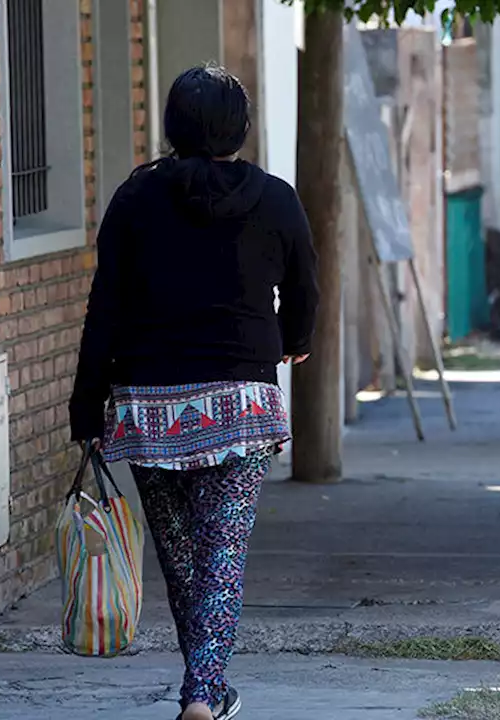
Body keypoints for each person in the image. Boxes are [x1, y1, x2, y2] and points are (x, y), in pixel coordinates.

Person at [70, 65, 319, 720]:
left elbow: (106, 307)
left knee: (182, 559)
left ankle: (205, 686)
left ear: (173, 127)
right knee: (222, 553)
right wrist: (295, 339)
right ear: (239, 130)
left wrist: (86, 402)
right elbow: (303, 288)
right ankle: (203, 692)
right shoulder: (277, 199)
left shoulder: (134, 199)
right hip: (239, 402)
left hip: (150, 405)